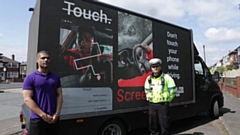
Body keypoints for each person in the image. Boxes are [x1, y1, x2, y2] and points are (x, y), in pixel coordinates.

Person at [22, 50, 63, 135]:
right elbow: (27, 99)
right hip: (38, 120)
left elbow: (59, 95)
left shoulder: (55, 77)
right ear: (37, 60)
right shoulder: (30, 78)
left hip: (53, 119)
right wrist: (43, 115)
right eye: (43, 58)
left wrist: (57, 114)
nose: (45, 60)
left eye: (47, 58)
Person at [144, 58, 177, 135]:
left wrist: (167, 100)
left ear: (160, 67)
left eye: (157, 66)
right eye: (153, 66)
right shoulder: (149, 79)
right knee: (153, 125)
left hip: (163, 105)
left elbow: (173, 91)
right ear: (151, 68)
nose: (155, 68)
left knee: (165, 125)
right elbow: (147, 90)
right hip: (152, 105)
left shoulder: (167, 78)